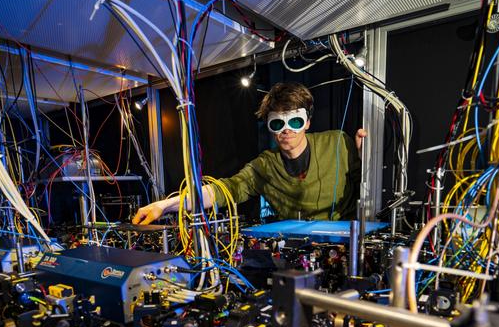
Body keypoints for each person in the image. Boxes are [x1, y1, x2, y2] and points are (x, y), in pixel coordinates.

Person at [132, 81, 367, 224]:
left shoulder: (337, 143)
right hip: (298, 250)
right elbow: (222, 191)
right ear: (269, 127)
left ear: (307, 122)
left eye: (294, 121)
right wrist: (164, 205)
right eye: (278, 123)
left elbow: (365, 186)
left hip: (344, 244)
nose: (286, 130)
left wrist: (363, 158)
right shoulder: (264, 166)